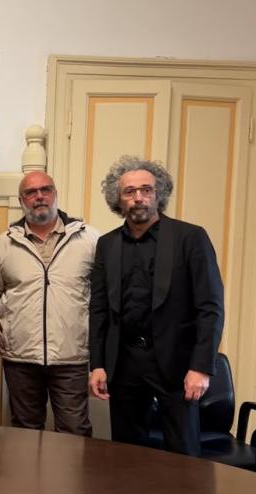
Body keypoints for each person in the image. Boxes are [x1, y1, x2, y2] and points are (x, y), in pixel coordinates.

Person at [89, 156, 224, 456]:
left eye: (146, 190)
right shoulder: (107, 245)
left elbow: (210, 307)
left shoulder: (191, 237)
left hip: (176, 364)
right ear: (117, 199)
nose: (138, 197)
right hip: (123, 363)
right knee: (127, 454)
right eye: (129, 191)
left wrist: (201, 367)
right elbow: (98, 309)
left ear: (158, 194)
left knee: (183, 454)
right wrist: (97, 364)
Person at [0, 171, 98, 436]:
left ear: (55, 194)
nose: (39, 197)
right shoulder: (3, 244)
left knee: (74, 431)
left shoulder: (89, 240)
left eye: (45, 190)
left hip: (71, 357)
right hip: (21, 358)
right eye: (31, 192)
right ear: (21, 200)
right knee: (25, 433)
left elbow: (100, 297)